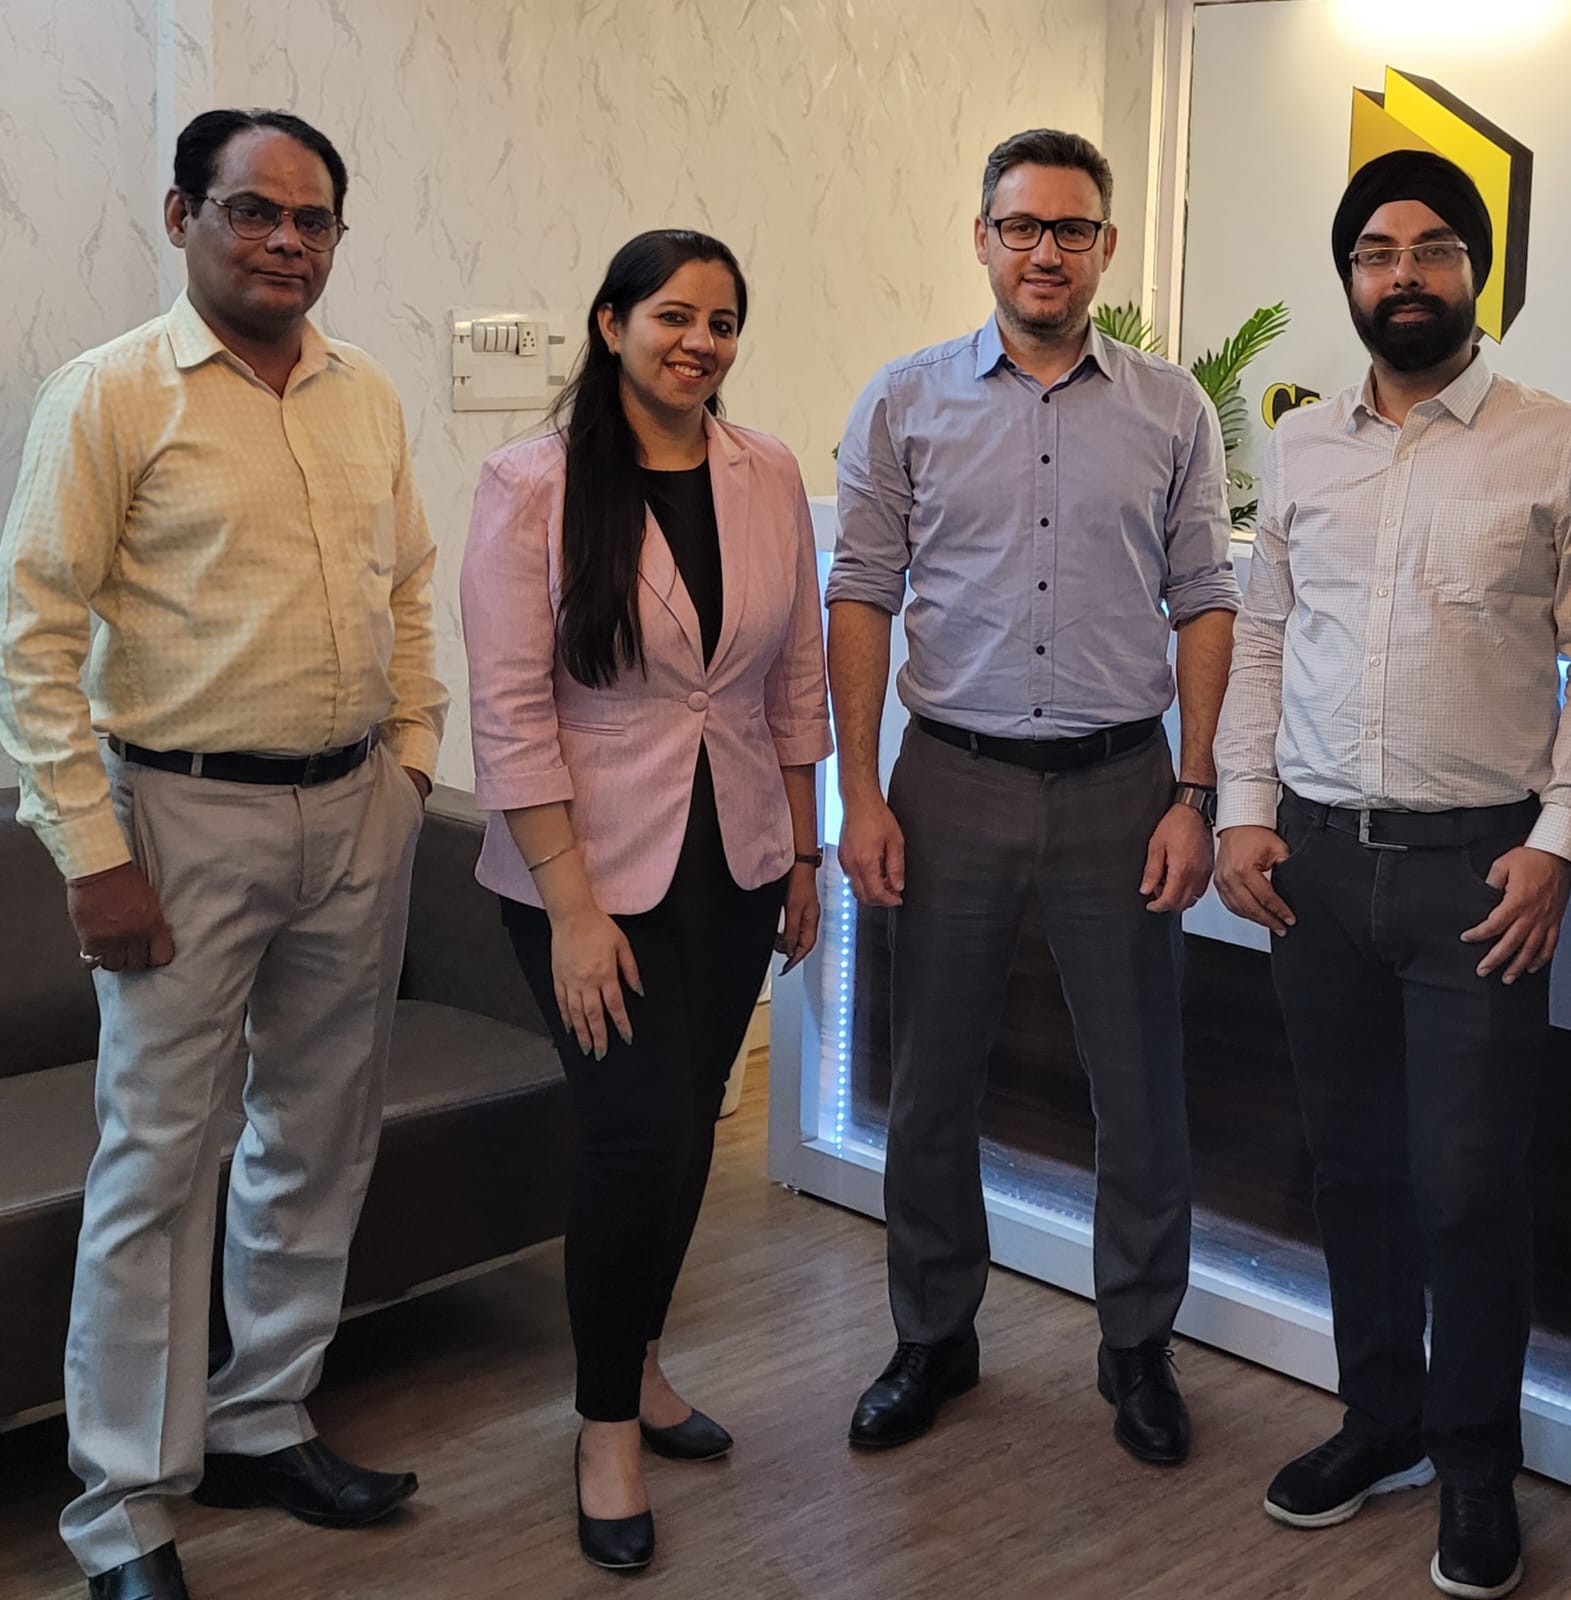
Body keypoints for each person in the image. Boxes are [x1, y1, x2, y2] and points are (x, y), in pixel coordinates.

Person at [0, 108, 447, 1600]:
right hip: (179, 820)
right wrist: (91, 852)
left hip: (355, 809)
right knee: (158, 1159)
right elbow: (32, 639)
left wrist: (412, 763)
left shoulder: (363, 393)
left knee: (321, 1130)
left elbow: (407, 588)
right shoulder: (110, 394)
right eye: (255, 211)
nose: (286, 243)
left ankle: (263, 1414)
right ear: (183, 214)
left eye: (314, 220)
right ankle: (124, 1506)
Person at [829, 128, 1237, 1465]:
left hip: (1124, 788)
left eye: (1071, 229)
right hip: (948, 783)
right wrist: (861, 794)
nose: (1045, 252)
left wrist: (1194, 790)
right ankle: (933, 1334)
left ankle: (1137, 1347)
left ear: (1105, 247)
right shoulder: (904, 402)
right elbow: (861, 594)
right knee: (929, 1080)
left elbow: (1206, 600)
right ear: (983, 239)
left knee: (1140, 1088)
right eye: (1021, 227)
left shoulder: (1172, 410)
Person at [1214, 150, 1570, 1600]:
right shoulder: (1302, 446)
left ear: (1477, 272)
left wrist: (1556, 840)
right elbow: (1261, 635)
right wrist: (1242, 808)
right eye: (1377, 252)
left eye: (1433, 249)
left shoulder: (1552, 444)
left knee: (1470, 1188)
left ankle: (1477, 1465)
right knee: (1353, 1168)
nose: (1403, 274)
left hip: (1477, 879)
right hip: (1313, 869)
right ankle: (1384, 1424)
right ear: (1350, 276)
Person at [461, 228, 831, 1572]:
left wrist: (804, 850)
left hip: (733, 857)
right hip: (588, 876)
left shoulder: (766, 470)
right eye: (675, 316)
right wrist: (571, 913)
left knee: (686, 1130)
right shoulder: (532, 485)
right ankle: (604, 1426)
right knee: (633, 1139)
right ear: (611, 324)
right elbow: (510, 715)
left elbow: (793, 674)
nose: (701, 343)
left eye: (723, 323)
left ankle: (642, 1356)